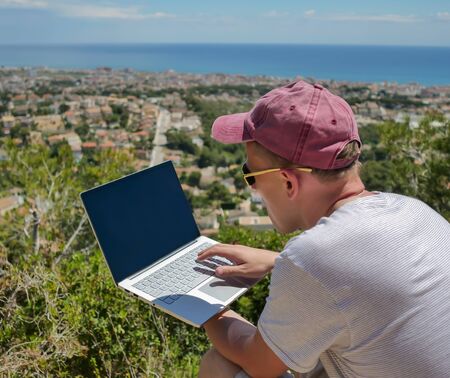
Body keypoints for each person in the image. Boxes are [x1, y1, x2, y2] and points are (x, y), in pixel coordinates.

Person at [196, 80, 450, 378]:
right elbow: (370, 279)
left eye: (250, 175)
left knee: (220, 364)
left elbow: (258, 363)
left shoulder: (315, 258)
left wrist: (204, 304)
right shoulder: (416, 211)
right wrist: (277, 262)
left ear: (288, 182)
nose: (252, 189)